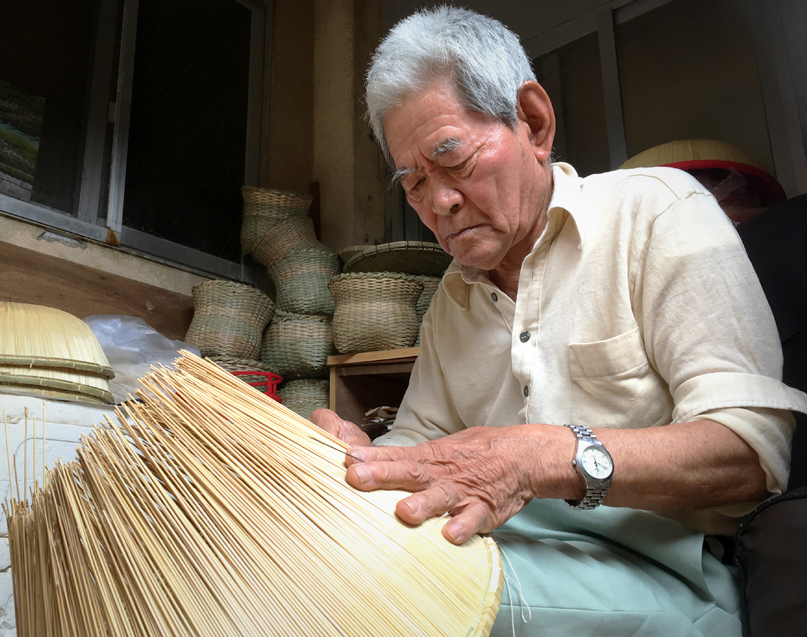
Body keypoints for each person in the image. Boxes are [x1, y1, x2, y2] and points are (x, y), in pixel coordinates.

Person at [310, 6, 807, 636]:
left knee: (390, 611)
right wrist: (358, 461)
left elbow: (750, 449)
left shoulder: (655, 213)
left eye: (454, 159)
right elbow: (419, 441)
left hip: (668, 567)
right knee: (320, 569)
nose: (439, 203)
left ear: (534, 123)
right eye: (413, 181)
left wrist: (541, 456)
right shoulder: (452, 300)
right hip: (508, 548)